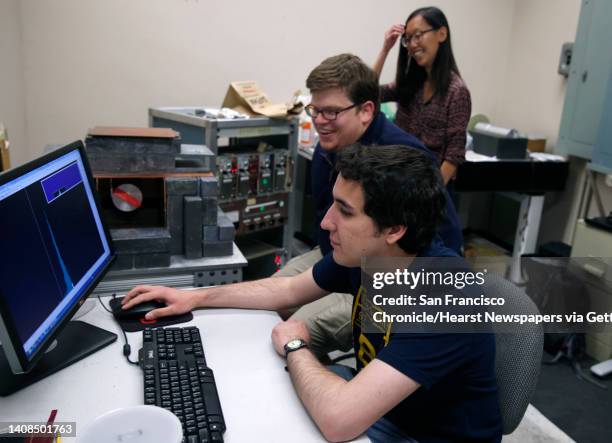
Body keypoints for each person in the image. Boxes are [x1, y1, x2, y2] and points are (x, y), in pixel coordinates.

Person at [122, 144, 502, 442]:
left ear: (394, 229)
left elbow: (339, 420)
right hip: (385, 407)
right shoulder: (369, 254)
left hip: (423, 435)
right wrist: (196, 297)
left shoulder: (445, 297)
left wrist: (295, 347)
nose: (324, 222)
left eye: (344, 211)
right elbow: (286, 289)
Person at [276, 53, 463, 361]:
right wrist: (199, 297)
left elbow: (439, 247)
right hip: (339, 254)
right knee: (269, 299)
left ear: (366, 111)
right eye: (316, 110)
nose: (320, 120)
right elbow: (327, 225)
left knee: (299, 330)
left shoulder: (404, 160)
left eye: (332, 111)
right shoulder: (329, 147)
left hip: (385, 276)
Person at [373, 6, 471, 185]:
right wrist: (385, 49)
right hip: (395, 178)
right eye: (408, 39)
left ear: (441, 34)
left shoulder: (456, 91)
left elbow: (453, 155)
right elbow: (368, 93)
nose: (411, 44)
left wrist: (431, 195)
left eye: (418, 35)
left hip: (428, 189)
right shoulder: (412, 84)